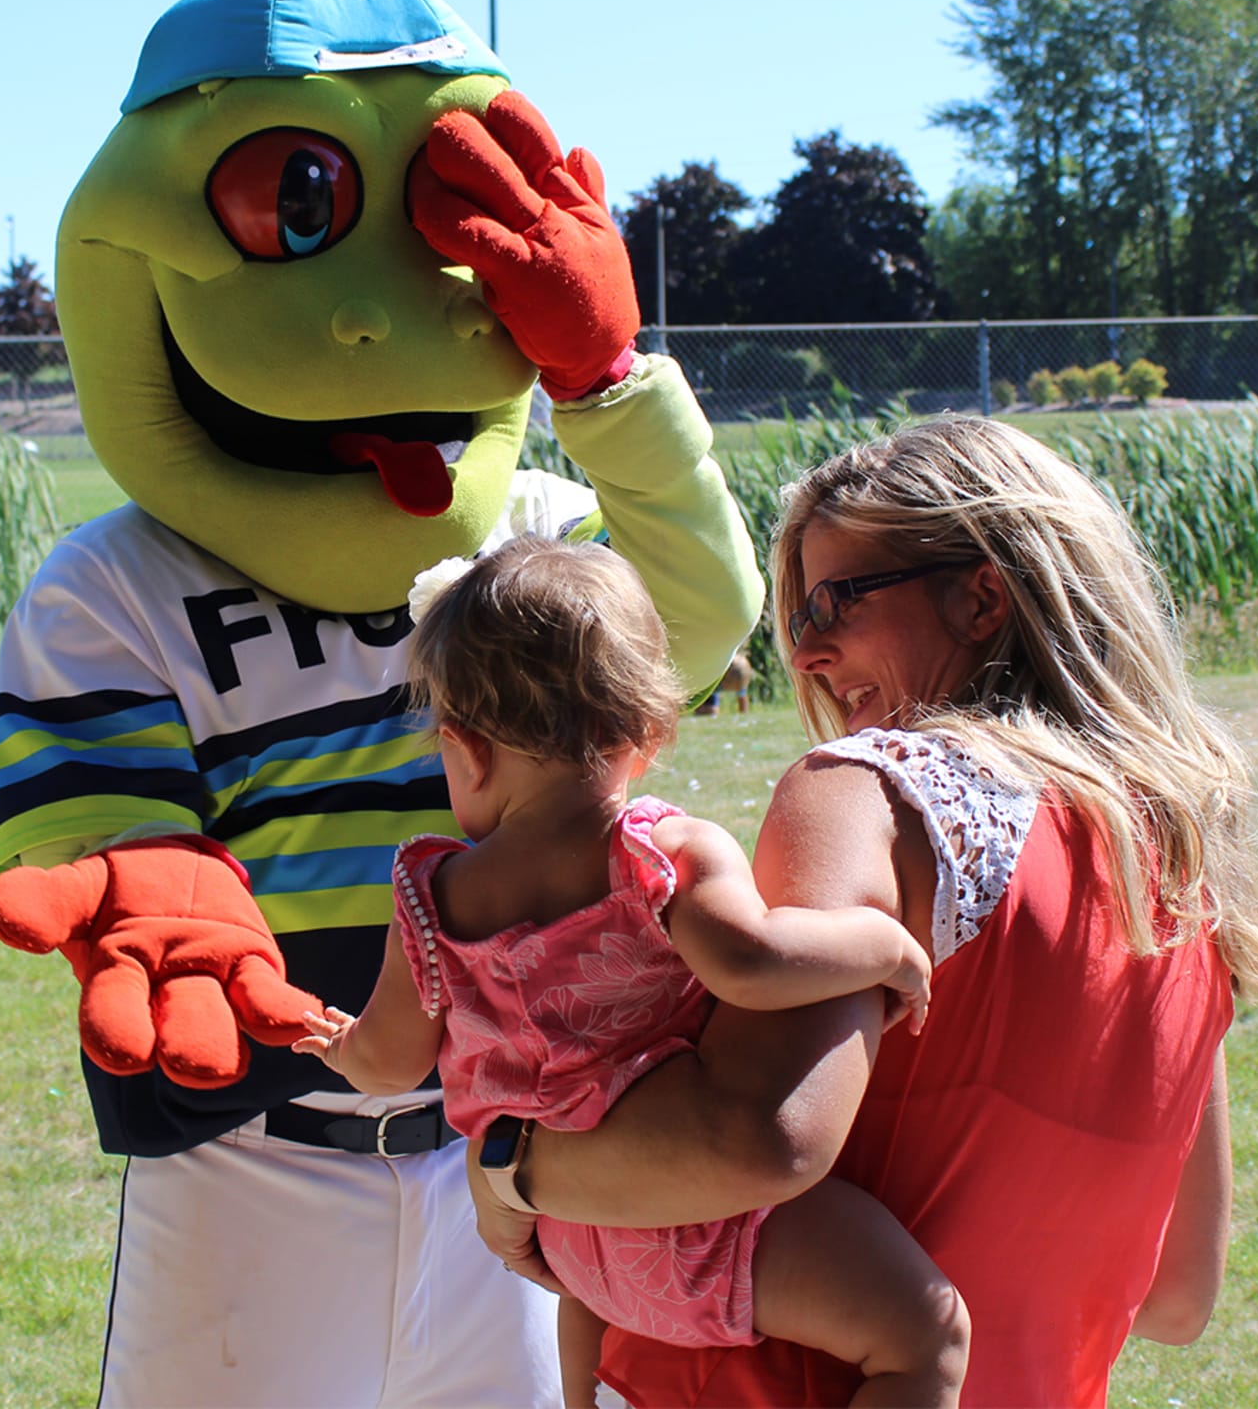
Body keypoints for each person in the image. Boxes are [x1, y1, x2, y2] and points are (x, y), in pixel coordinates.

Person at [0, 0, 764, 1409]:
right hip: (259, 1168)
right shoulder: (111, 580)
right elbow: (103, 828)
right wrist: (159, 893)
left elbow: (703, 630)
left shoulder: (536, 528)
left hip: (519, 1153)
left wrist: (607, 385)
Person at [463, 417, 1258, 1408]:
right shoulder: (1176, 869)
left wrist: (508, 1172)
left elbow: (756, 1140)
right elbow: (1178, 1297)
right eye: (798, 613)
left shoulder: (863, 791)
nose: (808, 649)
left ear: (982, 596)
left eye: (838, 599)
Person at [294, 535, 971, 1408]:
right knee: (924, 1335)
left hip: (568, 1238)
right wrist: (885, 948)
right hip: (698, 1217)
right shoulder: (657, 856)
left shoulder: (429, 896)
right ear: (648, 733)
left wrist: (344, 1048)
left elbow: (390, 1062)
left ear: (462, 750)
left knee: (597, 1361)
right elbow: (753, 962)